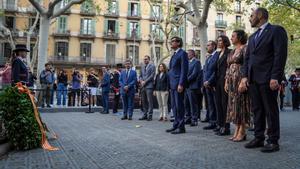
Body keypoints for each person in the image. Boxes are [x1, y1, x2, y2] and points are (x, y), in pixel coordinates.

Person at [240, 8, 288, 153]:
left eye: (251, 15)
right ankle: (258, 137)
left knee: (270, 110)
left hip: (268, 79)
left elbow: (280, 55)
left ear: (260, 16)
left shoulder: (276, 30)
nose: (250, 18)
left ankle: (273, 141)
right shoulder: (252, 37)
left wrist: (275, 77)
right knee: (257, 110)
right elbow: (247, 59)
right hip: (253, 79)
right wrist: (244, 76)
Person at [225, 30, 250, 142]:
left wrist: (244, 80)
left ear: (239, 37)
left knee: (241, 104)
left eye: (233, 36)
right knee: (233, 106)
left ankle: (242, 130)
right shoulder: (232, 51)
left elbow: (247, 64)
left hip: (240, 79)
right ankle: (237, 128)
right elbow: (228, 67)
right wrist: (226, 81)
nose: (231, 38)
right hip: (231, 81)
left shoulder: (245, 48)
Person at [165, 36, 188, 134]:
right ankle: (175, 124)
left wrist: (181, 84)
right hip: (172, 84)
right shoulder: (174, 54)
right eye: (171, 41)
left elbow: (184, 70)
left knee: (179, 106)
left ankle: (181, 127)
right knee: (174, 106)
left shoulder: (182, 53)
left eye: (173, 41)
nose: (171, 43)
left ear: (178, 43)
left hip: (178, 84)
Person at [214, 35, 231, 136]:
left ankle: (226, 127)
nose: (218, 42)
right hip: (217, 82)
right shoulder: (218, 53)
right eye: (218, 40)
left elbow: (229, 67)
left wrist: (227, 81)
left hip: (225, 81)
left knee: (225, 104)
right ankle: (220, 125)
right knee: (218, 104)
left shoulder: (230, 52)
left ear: (225, 41)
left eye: (220, 40)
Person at [203, 40, 219, 130]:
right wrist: (204, 82)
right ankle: (212, 122)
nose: (207, 47)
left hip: (213, 84)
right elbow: (205, 71)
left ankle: (218, 123)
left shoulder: (217, 56)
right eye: (206, 45)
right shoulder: (208, 58)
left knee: (216, 104)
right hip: (206, 85)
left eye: (208, 45)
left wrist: (209, 81)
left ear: (213, 46)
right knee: (210, 104)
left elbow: (216, 71)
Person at [184, 49, 201, 127]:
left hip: (192, 86)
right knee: (186, 103)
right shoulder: (187, 62)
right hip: (187, 86)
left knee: (193, 103)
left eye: (189, 54)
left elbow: (194, 74)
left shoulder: (197, 62)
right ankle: (188, 118)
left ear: (193, 54)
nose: (187, 55)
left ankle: (194, 119)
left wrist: (185, 80)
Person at [139, 55, 156, 121]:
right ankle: (145, 114)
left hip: (149, 86)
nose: (145, 60)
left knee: (150, 101)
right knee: (144, 101)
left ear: (149, 60)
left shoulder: (152, 66)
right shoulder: (142, 66)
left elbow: (152, 75)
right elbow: (140, 75)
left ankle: (150, 115)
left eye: (146, 59)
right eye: (144, 59)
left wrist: (145, 81)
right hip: (143, 86)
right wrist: (141, 81)